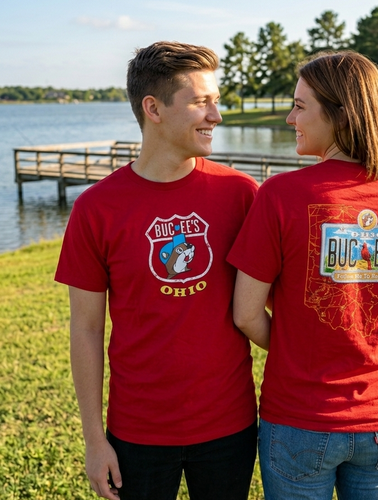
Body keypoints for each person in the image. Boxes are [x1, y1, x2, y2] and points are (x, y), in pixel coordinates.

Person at [227, 51, 378, 500]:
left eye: (300, 106)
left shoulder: (280, 196)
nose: (290, 118)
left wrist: (298, 347)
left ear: (339, 114)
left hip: (299, 421)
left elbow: (246, 314)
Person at [55, 41, 258, 500]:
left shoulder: (242, 195)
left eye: (216, 101)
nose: (216, 116)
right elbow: (85, 328)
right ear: (154, 109)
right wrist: (93, 439)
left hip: (230, 425)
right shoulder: (95, 208)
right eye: (201, 102)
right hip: (137, 431)